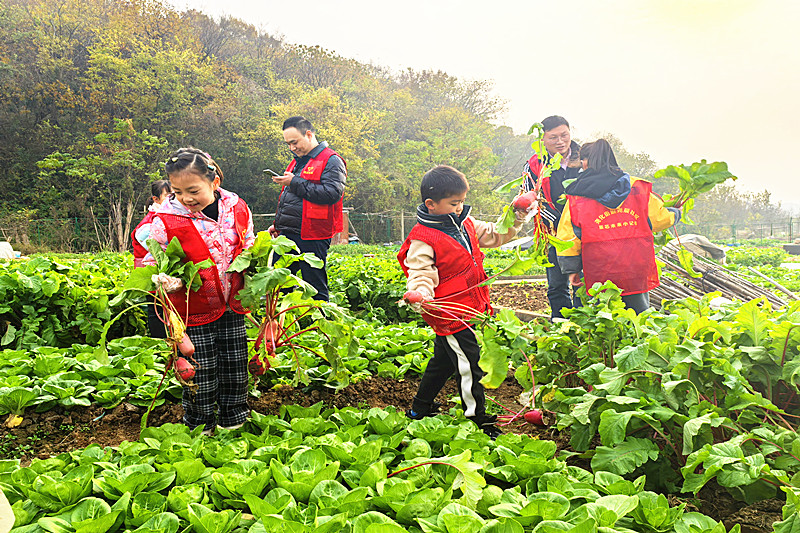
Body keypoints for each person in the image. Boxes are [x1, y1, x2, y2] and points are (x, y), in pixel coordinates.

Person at [397, 165, 528, 439]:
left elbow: (495, 234)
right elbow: (420, 272)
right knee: (470, 363)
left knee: (442, 362)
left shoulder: (466, 222)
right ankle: (477, 419)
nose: (460, 207)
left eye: (461, 202)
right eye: (454, 203)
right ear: (431, 205)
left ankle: (420, 408)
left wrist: (516, 218)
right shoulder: (423, 238)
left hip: (469, 306)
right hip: (448, 311)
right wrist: (421, 294)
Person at [143, 147, 255, 432]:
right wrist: (167, 279)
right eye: (178, 192)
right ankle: (200, 427)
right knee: (200, 375)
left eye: (193, 190)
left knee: (235, 369)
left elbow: (249, 242)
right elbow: (153, 260)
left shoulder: (236, 206)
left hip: (232, 303)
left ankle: (234, 423)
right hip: (192, 310)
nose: (186, 199)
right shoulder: (166, 218)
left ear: (214, 182)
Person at [556, 139, 680, 314]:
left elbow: (569, 237)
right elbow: (659, 219)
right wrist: (675, 213)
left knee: (598, 318)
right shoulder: (636, 187)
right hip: (634, 269)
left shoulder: (577, 195)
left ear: (586, 162)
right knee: (638, 318)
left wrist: (571, 269)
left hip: (597, 272)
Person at [267, 116, 346, 301]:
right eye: (288, 144)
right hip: (289, 232)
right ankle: (284, 324)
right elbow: (290, 200)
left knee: (315, 285)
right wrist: (278, 224)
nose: (292, 148)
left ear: (308, 134)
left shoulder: (332, 160)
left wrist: (294, 182)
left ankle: (319, 326)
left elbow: (332, 193)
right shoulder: (297, 161)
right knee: (280, 283)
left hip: (313, 233)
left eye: (294, 142)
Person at [523, 115, 582, 319]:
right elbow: (531, 201)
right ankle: (560, 324)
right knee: (557, 284)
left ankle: (583, 325)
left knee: (583, 282)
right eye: (553, 137)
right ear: (543, 140)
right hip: (552, 232)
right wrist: (558, 222)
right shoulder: (534, 165)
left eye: (564, 135)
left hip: (582, 232)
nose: (560, 141)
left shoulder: (585, 159)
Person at [132, 180, 172, 338]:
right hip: (151, 272)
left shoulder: (165, 217)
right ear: (156, 199)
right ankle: (160, 344)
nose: (172, 198)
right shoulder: (147, 225)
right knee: (157, 310)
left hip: (163, 273)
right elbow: (158, 252)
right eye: (168, 195)